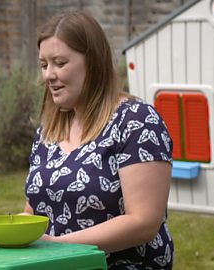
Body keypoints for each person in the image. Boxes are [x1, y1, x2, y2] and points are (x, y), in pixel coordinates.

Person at [22, 11, 174, 269]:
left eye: (60, 63)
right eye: (44, 65)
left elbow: (144, 223)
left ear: (93, 63)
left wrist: (58, 247)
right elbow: (34, 211)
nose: (48, 75)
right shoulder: (49, 130)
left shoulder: (136, 121)